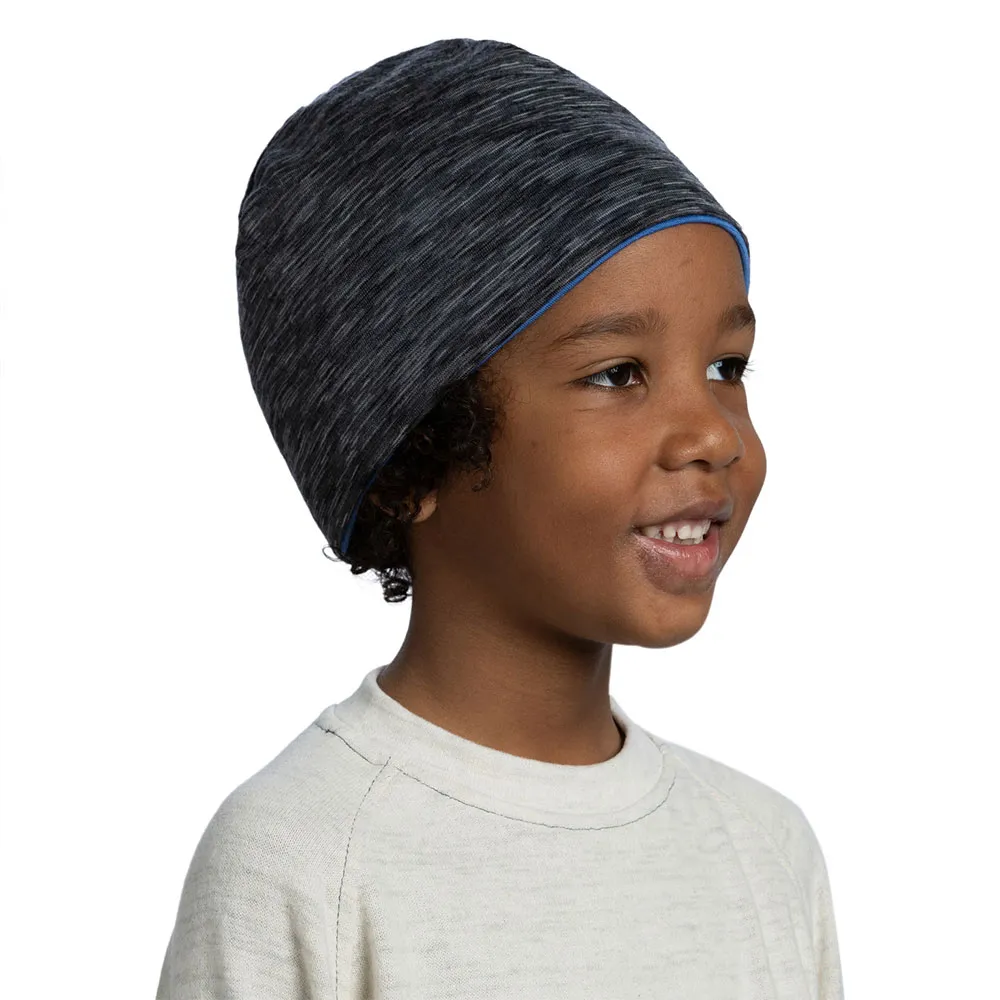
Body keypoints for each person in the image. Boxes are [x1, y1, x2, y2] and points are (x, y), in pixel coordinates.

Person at [157, 37, 844, 999]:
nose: (713, 435)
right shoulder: (302, 864)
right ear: (414, 453)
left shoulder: (766, 851)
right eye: (618, 375)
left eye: (726, 367)